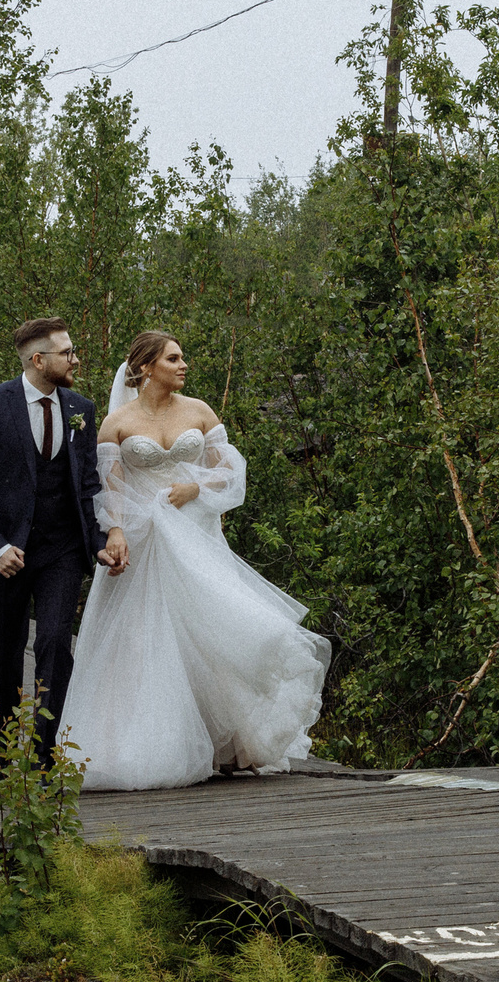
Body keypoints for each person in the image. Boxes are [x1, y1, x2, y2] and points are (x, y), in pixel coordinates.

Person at [58, 330, 331, 790]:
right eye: (173, 358)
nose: (184, 365)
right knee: (147, 640)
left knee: (211, 630)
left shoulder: (200, 411)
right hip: (145, 543)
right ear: (145, 367)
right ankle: (145, 745)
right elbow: (108, 487)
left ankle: (228, 744)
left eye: (182, 357)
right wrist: (118, 530)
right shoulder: (115, 423)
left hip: (195, 534)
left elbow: (230, 469)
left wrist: (196, 488)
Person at [0, 318, 127, 764]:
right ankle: (3, 756)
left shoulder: (80, 408)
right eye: (67, 353)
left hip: (62, 551)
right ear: (38, 360)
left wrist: (98, 542)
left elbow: (86, 486)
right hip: (4, 553)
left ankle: (44, 757)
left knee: (54, 644)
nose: (75, 359)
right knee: (4, 651)